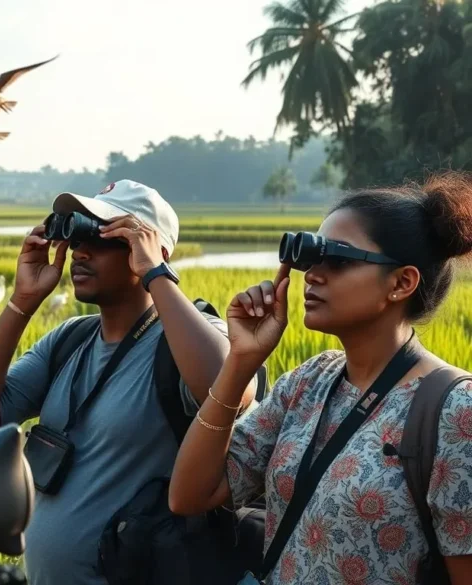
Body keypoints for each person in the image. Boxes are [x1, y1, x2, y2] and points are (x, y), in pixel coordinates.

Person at [0, 179, 257, 585]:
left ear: (153, 249)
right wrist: (22, 302)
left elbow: (229, 387)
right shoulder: (68, 340)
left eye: (104, 236)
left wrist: (156, 274)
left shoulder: (190, 339)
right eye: (78, 236)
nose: (81, 251)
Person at [167, 171, 472, 583]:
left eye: (338, 260)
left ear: (401, 282)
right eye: (312, 258)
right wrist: (241, 361)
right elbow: (190, 495)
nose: (312, 274)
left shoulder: (456, 410)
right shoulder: (308, 382)